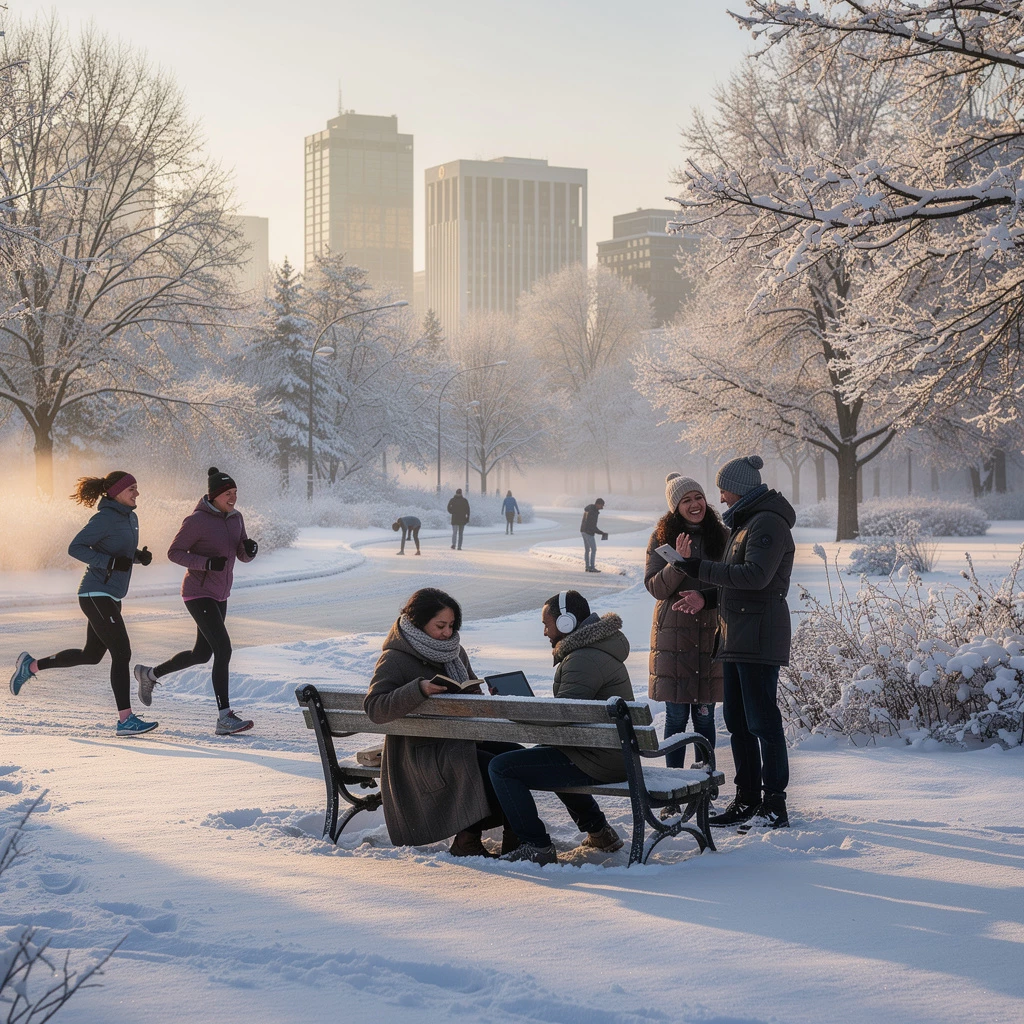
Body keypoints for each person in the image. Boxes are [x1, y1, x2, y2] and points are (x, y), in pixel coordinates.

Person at [671, 455, 795, 830]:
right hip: (736, 635)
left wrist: (698, 568)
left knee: (762, 722)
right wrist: (705, 597)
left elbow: (756, 577)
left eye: (723, 489)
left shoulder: (767, 522)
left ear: (738, 488)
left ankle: (774, 804)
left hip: (758, 636)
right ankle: (747, 798)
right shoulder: (744, 523)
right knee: (737, 722)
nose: (720, 497)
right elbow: (736, 582)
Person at [363, 588, 519, 857]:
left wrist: (479, 696)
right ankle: (467, 841)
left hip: (457, 738)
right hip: (418, 751)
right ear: (419, 623)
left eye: (452, 625)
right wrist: (418, 689)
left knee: (513, 756)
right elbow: (375, 708)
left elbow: (471, 691)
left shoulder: (455, 652)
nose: (448, 633)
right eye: (440, 626)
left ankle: (518, 837)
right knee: (486, 765)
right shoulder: (395, 658)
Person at [489, 590, 632, 865]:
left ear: (567, 622)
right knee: (545, 754)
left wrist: (512, 707)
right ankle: (600, 832)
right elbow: (566, 710)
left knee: (501, 768)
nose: (545, 632)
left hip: (601, 759)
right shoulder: (593, 650)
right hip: (608, 752)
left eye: (547, 624)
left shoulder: (583, 659)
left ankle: (537, 846)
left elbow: (561, 713)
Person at [9, 471, 158, 736]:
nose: (137, 493)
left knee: (91, 655)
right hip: (95, 593)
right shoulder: (104, 518)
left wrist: (138, 557)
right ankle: (125, 720)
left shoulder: (130, 517)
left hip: (111, 595)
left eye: (137, 488)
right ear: (116, 492)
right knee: (122, 652)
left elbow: (117, 551)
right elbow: (76, 547)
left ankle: (30, 666)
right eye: (132, 489)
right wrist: (111, 563)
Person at [132, 468, 257, 736]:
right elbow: (174, 552)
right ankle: (224, 717)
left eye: (235, 492)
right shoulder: (197, 520)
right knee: (223, 649)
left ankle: (149, 674)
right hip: (198, 592)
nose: (233, 497)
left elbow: (240, 552)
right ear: (214, 496)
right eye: (228, 493)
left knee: (201, 654)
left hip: (220, 593)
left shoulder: (236, 518)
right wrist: (207, 564)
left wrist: (249, 552)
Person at [645, 474, 728, 794]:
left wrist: (706, 597)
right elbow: (656, 588)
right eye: (686, 500)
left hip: (711, 634)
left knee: (705, 718)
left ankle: (705, 785)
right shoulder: (661, 538)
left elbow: (730, 582)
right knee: (676, 717)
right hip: (674, 640)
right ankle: (673, 786)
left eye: (698, 497)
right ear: (675, 507)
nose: (695, 504)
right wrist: (677, 563)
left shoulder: (722, 535)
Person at [579, 498, 608, 572]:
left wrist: (600, 532)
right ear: (597, 504)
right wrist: (601, 533)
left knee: (587, 550)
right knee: (594, 549)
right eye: (601, 505)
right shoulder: (593, 512)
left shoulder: (588, 509)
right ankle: (592, 567)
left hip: (583, 530)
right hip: (588, 532)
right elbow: (592, 526)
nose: (602, 507)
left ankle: (587, 567)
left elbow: (590, 524)